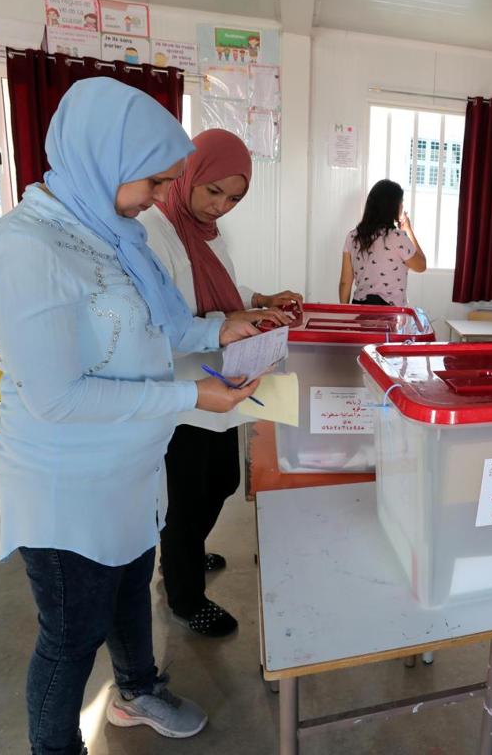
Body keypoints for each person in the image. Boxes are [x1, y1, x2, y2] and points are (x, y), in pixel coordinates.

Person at [0, 77, 260, 755]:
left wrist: (222, 329)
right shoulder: (27, 249)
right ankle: (56, 747)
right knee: (71, 635)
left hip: (130, 466)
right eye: (154, 181)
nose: (162, 196)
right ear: (102, 160)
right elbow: (59, 398)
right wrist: (191, 397)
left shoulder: (110, 232)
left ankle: (138, 691)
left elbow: (154, 327)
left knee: (133, 587)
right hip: (66, 484)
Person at [140, 128, 302, 637]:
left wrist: (262, 298)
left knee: (223, 482)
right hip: (184, 391)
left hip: (221, 379)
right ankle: (184, 595)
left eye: (234, 197)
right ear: (189, 174)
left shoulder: (209, 233)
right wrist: (238, 315)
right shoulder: (153, 231)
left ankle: (184, 553)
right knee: (186, 498)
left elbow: (225, 286)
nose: (221, 206)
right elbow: (167, 319)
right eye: (213, 191)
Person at [338, 179, 426, 305]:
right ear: (393, 206)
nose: (402, 206)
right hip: (390, 314)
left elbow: (345, 282)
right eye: (401, 202)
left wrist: (345, 312)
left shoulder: (352, 237)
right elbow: (421, 265)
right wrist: (408, 229)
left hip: (360, 310)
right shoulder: (398, 237)